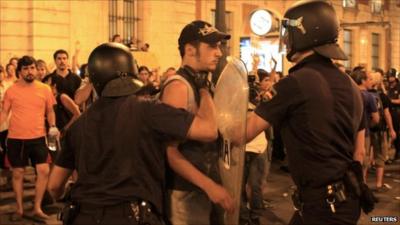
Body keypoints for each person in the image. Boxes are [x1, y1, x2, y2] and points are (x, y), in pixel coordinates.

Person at [47, 43, 219, 225]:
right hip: (134, 216)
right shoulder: (149, 110)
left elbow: (53, 186)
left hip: (84, 216)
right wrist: (204, 90)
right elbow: (208, 130)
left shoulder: (79, 125)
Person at [244, 1, 371, 224]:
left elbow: (244, 132)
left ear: (304, 33)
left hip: (320, 206)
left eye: (289, 33)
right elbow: (359, 154)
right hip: (347, 201)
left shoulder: (293, 84)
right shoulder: (351, 85)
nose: (286, 40)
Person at [160, 20, 233, 225]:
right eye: (212, 46)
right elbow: (170, 152)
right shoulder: (178, 87)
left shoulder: (202, 82)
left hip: (206, 189)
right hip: (186, 193)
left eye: (219, 46)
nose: (219, 53)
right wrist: (209, 186)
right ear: (190, 50)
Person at [0, 56, 59, 221]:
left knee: (43, 170)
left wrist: (53, 126)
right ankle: (19, 209)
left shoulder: (45, 89)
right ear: (20, 72)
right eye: (25, 69)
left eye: (32, 68)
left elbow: (50, 111)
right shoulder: (11, 90)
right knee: (18, 173)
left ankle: (37, 207)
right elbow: (4, 112)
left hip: (38, 137)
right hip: (16, 139)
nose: (30, 71)